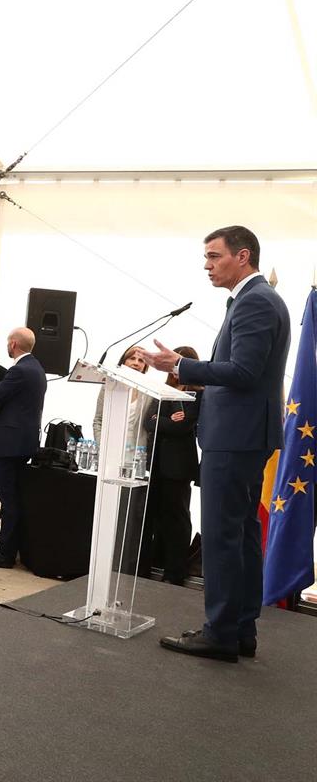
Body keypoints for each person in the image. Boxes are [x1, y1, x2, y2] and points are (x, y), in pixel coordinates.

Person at [141, 226, 290, 661]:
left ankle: (220, 632)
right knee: (241, 533)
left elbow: (243, 372)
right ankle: (240, 628)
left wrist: (182, 365)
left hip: (236, 436)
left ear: (242, 256)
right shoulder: (255, 300)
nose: (207, 266)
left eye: (213, 256)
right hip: (243, 433)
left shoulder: (256, 302)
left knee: (224, 536)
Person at [0, 327, 47, 568]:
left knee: (9, 498)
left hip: (10, 443)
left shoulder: (19, 370)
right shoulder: (36, 368)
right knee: (12, 497)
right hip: (23, 441)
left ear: (13, 344)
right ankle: (5, 548)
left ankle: (4, 553)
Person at [141, 346, 201, 586]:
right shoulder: (164, 390)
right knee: (155, 517)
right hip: (155, 463)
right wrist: (165, 420)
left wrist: (161, 421)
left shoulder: (197, 393)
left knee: (176, 518)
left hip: (178, 466)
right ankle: (153, 563)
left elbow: (182, 427)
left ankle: (175, 572)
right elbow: (148, 421)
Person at [94, 345, 147, 440]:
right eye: (132, 358)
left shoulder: (148, 392)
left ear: (145, 367)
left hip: (136, 449)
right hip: (110, 443)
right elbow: (98, 420)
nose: (136, 363)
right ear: (124, 362)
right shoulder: (110, 385)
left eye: (141, 360)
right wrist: (101, 446)